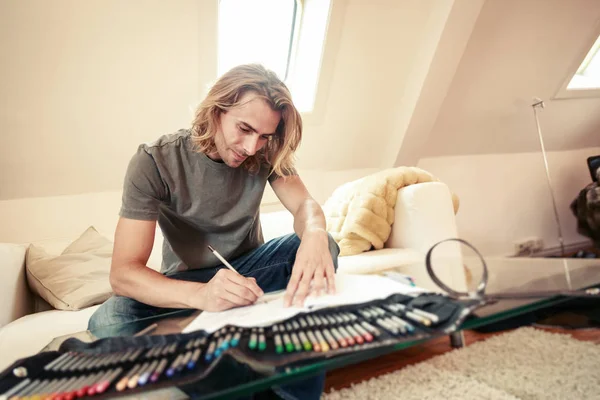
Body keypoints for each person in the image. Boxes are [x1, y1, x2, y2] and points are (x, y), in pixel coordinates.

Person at [88, 64, 339, 399]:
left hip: (251, 272)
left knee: (324, 246)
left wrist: (315, 232)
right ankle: (247, 389)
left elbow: (304, 206)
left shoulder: (267, 151)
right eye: (245, 129)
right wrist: (201, 296)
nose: (252, 147)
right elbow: (123, 274)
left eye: (264, 136)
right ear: (216, 110)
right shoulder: (154, 161)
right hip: (188, 284)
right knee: (109, 321)